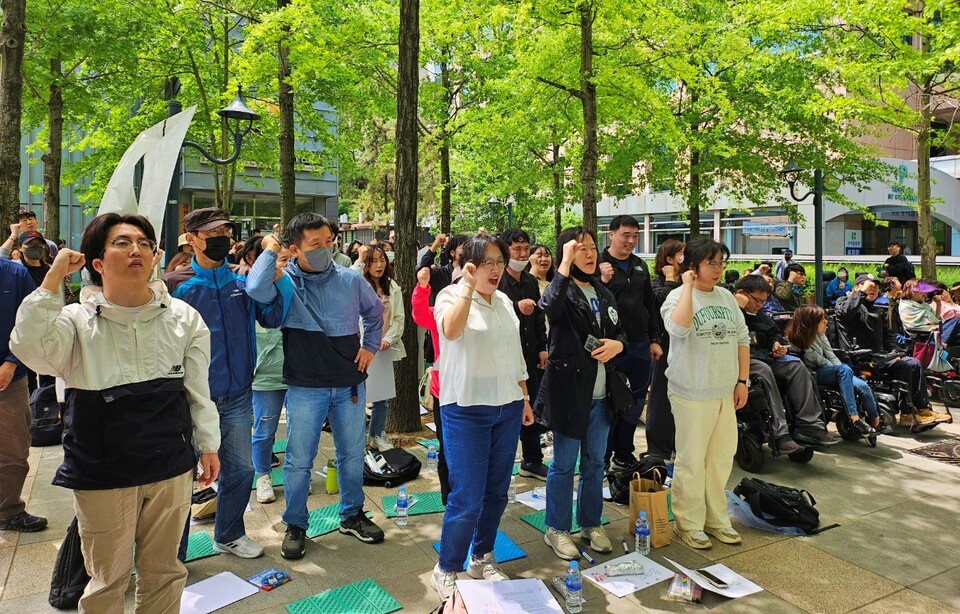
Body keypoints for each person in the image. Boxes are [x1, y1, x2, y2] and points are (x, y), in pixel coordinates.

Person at [11, 213, 220, 612]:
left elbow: (197, 389)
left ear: (156, 255)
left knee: (166, 572)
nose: (135, 249)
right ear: (98, 262)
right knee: (107, 578)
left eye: (143, 242)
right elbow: (29, 348)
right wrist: (54, 277)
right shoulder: (75, 322)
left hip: (170, 466)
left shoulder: (183, 318)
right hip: (102, 471)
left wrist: (208, 444)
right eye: (121, 243)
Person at [246, 213, 386, 560]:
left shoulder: (351, 279)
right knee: (298, 460)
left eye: (329, 241)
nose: (326, 248)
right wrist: (269, 249)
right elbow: (254, 289)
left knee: (352, 454)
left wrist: (369, 347)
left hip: (349, 384)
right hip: (305, 384)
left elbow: (374, 313)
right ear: (295, 249)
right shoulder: (286, 281)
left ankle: (352, 514)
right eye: (315, 244)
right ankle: (295, 524)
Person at [164, 207, 290, 560]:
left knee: (242, 468)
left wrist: (277, 280)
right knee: (178, 478)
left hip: (237, 394)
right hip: (187, 397)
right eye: (213, 232)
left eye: (226, 231)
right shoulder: (175, 284)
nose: (223, 237)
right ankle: (173, 553)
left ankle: (230, 534)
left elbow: (273, 317)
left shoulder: (242, 280)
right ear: (192, 239)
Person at [430, 234, 535, 602]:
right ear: (470, 265)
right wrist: (467, 287)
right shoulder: (449, 295)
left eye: (500, 262)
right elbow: (450, 331)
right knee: (467, 496)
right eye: (487, 262)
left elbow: (515, 355)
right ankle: (447, 566)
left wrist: (523, 397)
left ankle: (482, 555)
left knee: (496, 492)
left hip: (506, 404)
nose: (496, 269)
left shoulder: (505, 301)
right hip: (466, 409)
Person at [538, 227, 626, 560]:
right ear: (566, 254)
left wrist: (618, 344)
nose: (589, 254)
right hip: (569, 393)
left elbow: (620, 333)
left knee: (594, 463)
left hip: (603, 393)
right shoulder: (563, 289)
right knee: (563, 464)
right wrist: (562, 265)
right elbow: (550, 307)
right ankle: (556, 529)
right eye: (580, 249)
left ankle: (591, 523)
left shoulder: (603, 293)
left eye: (592, 248)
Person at [661, 236, 749, 550]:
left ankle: (716, 519)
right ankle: (688, 523)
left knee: (721, 459)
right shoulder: (675, 298)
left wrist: (743, 381)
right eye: (711, 263)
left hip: (725, 391)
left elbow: (742, 339)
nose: (718, 269)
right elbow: (680, 328)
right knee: (691, 460)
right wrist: (686, 286)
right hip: (690, 392)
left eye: (721, 263)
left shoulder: (726, 296)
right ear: (693, 266)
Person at [733, 275, 839, 451]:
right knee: (764, 370)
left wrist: (778, 344)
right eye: (757, 300)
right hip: (741, 360)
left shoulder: (760, 316)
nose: (760, 305)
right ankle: (780, 433)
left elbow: (775, 334)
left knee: (796, 365)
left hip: (766, 357)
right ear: (741, 293)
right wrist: (738, 307)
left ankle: (809, 425)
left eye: (763, 302)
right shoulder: (730, 312)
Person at [835, 274, 951, 431]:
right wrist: (861, 293)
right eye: (867, 285)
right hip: (858, 359)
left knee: (913, 363)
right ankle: (907, 412)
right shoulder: (843, 304)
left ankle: (920, 409)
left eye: (875, 286)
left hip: (880, 358)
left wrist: (896, 350)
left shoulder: (877, 310)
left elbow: (888, 336)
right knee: (904, 366)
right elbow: (847, 312)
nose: (872, 288)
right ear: (857, 288)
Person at [597, 215, 662, 471]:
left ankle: (623, 454)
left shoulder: (639, 266)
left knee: (634, 405)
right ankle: (601, 456)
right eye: (626, 235)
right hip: (609, 347)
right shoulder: (597, 265)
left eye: (635, 236)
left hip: (639, 345)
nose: (631, 241)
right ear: (611, 234)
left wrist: (654, 339)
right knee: (608, 405)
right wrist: (599, 280)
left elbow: (649, 304)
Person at [787, 305, 888, 436]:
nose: (826, 321)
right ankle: (854, 417)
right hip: (813, 373)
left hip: (831, 369)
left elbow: (830, 355)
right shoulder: (796, 338)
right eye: (822, 319)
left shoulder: (821, 334)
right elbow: (815, 360)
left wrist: (841, 370)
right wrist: (840, 370)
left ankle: (876, 421)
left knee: (863, 385)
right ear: (810, 322)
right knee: (844, 370)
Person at [0, 256, 47, 534]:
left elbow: (32, 322)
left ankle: (8, 510)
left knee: (14, 449)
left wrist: (11, 360)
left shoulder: (15, 274)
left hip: (9, 378)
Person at [499, 228, 549, 480]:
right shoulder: (498, 281)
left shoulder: (529, 281)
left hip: (530, 354)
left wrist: (542, 347)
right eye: (516, 249)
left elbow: (539, 316)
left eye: (525, 249)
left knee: (531, 407)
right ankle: (503, 461)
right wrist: (516, 307)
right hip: (505, 357)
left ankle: (532, 459)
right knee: (508, 409)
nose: (521, 254)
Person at [252, 241, 294, 504]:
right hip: (265, 375)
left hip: (298, 372)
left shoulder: (296, 287)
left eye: (289, 260)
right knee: (264, 430)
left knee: (298, 429)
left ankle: (295, 477)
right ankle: (263, 476)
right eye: (279, 259)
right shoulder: (254, 291)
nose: (285, 265)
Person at [356, 243, 406, 451]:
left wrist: (388, 338)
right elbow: (348, 277)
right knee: (358, 396)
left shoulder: (392, 286)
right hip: (360, 348)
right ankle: (356, 439)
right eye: (373, 261)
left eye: (382, 260)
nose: (379, 265)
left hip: (384, 348)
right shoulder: (358, 283)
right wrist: (359, 259)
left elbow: (398, 318)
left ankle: (377, 435)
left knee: (381, 398)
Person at [411, 267, 451, 504]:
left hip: (473, 393)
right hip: (443, 392)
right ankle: (448, 496)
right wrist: (422, 286)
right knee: (446, 446)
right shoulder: (437, 315)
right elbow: (418, 313)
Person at [646, 239, 683, 461]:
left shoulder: (688, 282)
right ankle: (658, 450)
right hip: (663, 346)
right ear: (669, 259)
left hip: (684, 346)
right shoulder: (657, 283)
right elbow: (660, 304)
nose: (685, 259)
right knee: (661, 398)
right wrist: (670, 279)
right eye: (681, 255)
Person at [899, 278, 960, 344]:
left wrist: (938, 304)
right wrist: (936, 327)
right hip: (927, 336)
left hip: (937, 333)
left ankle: (942, 341)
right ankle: (940, 342)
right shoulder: (907, 305)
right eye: (922, 292)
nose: (924, 295)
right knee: (956, 320)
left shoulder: (923, 304)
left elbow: (936, 320)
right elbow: (913, 326)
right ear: (912, 291)